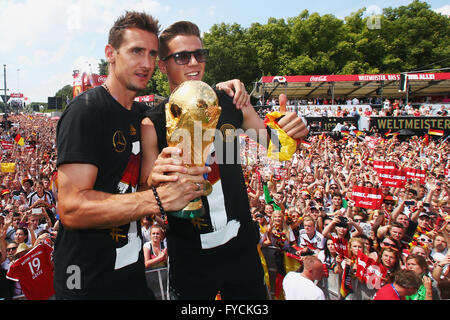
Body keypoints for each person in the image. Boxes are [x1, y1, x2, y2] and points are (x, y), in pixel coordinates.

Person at [141, 20, 308, 300]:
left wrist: (293, 129)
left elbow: (278, 146)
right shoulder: (153, 123)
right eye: (182, 56)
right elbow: (146, 194)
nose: (194, 62)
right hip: (190, 255)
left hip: (241, 248)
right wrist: (155, 180)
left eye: (200, 54)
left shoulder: (229, 101)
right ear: (162, 65)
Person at [53, 11, 207, 300]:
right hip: (84, 280)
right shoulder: (86, 111)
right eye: (136, 51)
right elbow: (71, 208)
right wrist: (157, 199)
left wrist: (226, 90)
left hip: (130, 273)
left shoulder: (142, 116)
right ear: (111, 54)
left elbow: (136, 190)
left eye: (152, 53)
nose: (146, 63)